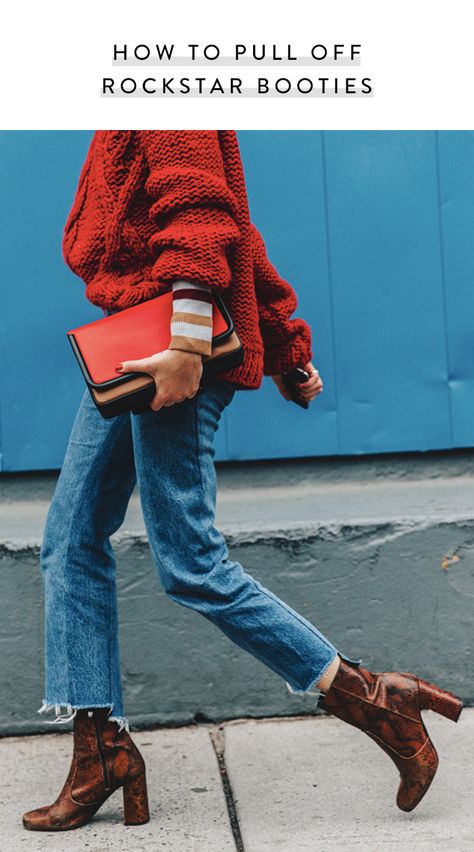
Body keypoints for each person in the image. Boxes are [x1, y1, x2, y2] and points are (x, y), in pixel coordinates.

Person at [22, 130, 462, 832]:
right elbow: (239, 231)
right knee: (70, 541)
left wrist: (190, 348)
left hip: (170, 352)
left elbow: (201, 220)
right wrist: (286, 348)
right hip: (135, 341)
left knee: (191, 563)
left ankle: (376, 699)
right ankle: (101, 751)